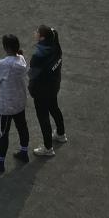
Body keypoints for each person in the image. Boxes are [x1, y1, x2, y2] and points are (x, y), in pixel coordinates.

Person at [0, 33, 29, 172]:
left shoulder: (3, 64)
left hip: (5, 105)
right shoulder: (21, 59)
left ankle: (0, 162)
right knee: (22, 127)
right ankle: (24, 152)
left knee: (2, 133)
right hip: (19, 101)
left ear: (6, 48)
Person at [29, 25, 67, 156]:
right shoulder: (56, 47)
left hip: (41, 91)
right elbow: (54, 33)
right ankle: (61, 134)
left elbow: (32, 75)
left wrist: (31, 88)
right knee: (54, 108)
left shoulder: (38, 56)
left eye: (37, 32)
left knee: (43, 118)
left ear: (42, 38)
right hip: (53, 86)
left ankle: (48, 148)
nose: (35, 32)